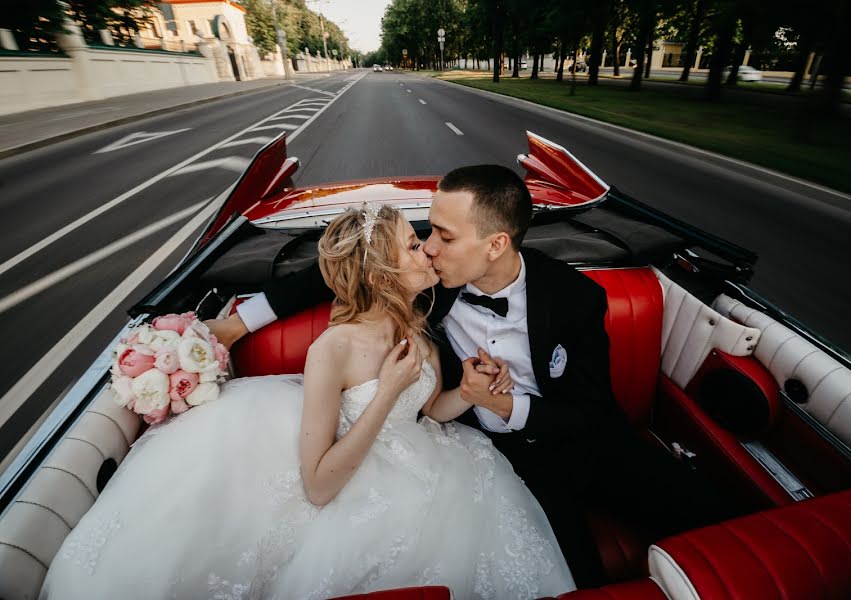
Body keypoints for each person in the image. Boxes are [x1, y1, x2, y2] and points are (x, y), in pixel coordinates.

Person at [210, 165, 731, 588]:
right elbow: (340, 271)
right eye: (425, 233)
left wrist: (508, 405)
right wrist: (238, 323)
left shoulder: (576, 297)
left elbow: (593, 412)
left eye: (442, 234)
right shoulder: (429, 285)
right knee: (571, 575)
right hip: (504, 459)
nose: (428, 245)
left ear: (496, 245)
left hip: (585, 438)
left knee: (716, 517)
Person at [40, 204, 575, 599]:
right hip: (353, 477)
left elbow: (429, 411)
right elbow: (318, 486)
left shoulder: (420, 326)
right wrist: (386, 393)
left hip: (433, 457)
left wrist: (468, 394)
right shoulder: (333, 350)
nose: (428, 249)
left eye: (426, 240)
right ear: (379, 273)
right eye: (413, 245)